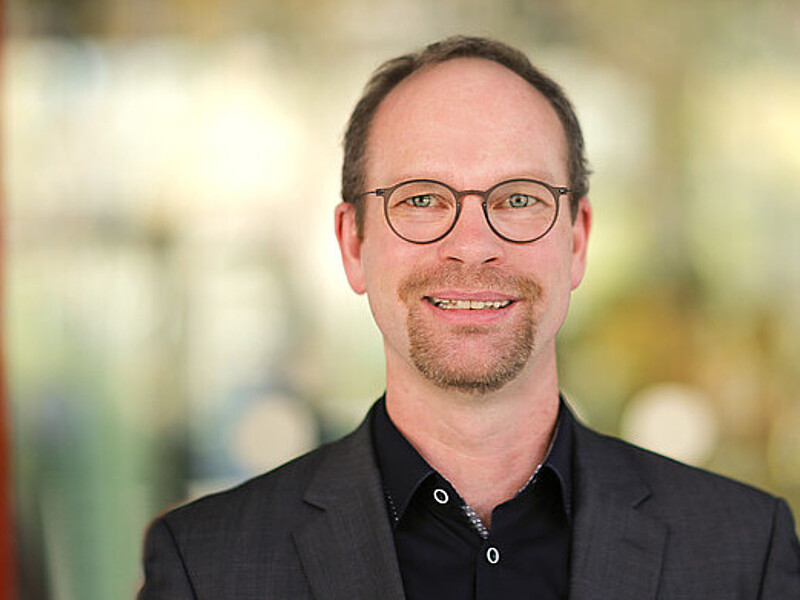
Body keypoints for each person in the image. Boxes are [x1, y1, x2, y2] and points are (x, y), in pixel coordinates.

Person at [138, 36, 800, 599]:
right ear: (353, 245)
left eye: (518, 198)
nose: (474, 244)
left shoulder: (744, 551)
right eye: (423, 199)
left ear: (576, 242)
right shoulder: (208, 567)